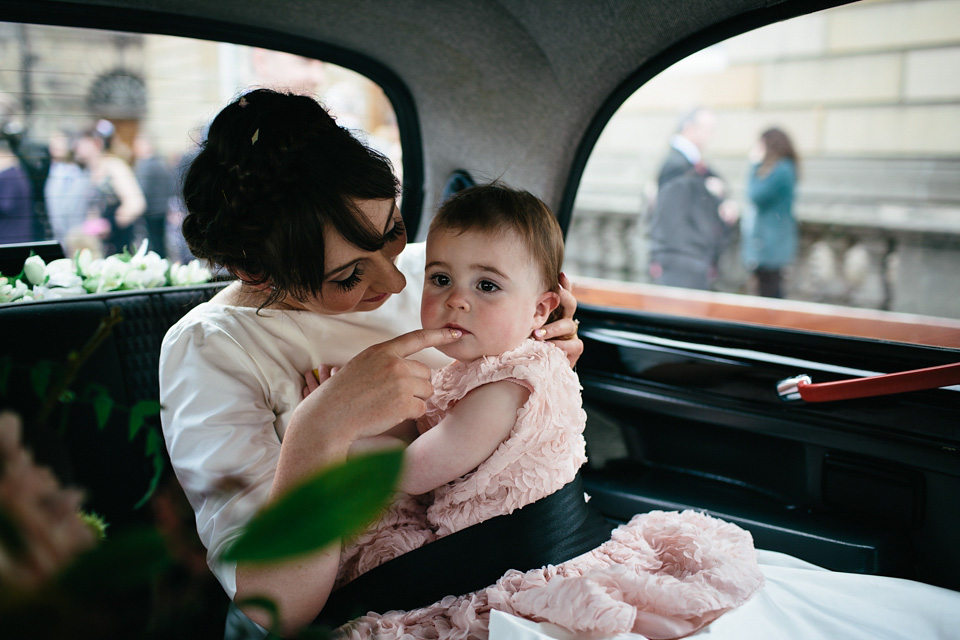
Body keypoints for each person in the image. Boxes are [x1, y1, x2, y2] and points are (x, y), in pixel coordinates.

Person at [158, 89, 583, 637]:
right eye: (349, 277)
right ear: (256, 272)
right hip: (382, 605)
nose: (398, 280)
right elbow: (273, 611)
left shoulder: (445, 271)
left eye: (392, 233)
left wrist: (537, 354)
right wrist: (323, 427)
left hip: (515, 562)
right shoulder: (210, 351)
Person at [317, 184, 763, 639]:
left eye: (486, 285)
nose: (457, 299)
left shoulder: (504, 389)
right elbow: (422, 434)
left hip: (514, 557)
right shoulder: (497, 362)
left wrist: (339, 424)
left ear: (540, 310)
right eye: (440, 278)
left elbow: (410, 473)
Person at [648, 107, 739, 290]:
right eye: (707, 129)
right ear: (690, 128)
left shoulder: (690, 162)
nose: (710, 136)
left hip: (691, 260)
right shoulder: (677, 165)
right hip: (684, 262)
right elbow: (673, 218)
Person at [740, 127, 799, 298]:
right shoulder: (784, 169)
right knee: (768, 293)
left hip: (771, 246)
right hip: (770, 244)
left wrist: (754, 165)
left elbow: (755, 195)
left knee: (770, 296)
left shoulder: (782, 170)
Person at [73, 120, 146, 256]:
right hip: (100, 247)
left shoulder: (115, 166)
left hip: (121, 244)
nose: (76, 147)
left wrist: (110, 224)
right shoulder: (90, 170)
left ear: (96, 143)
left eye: (82, 142)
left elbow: (136, 204)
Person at [133, 134, 176, 258]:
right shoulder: (161, 163)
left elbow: (142, 189)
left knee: (154, 242)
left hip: (151, 210)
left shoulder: (146, 165)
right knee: (160, 241)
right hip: (162, 209)